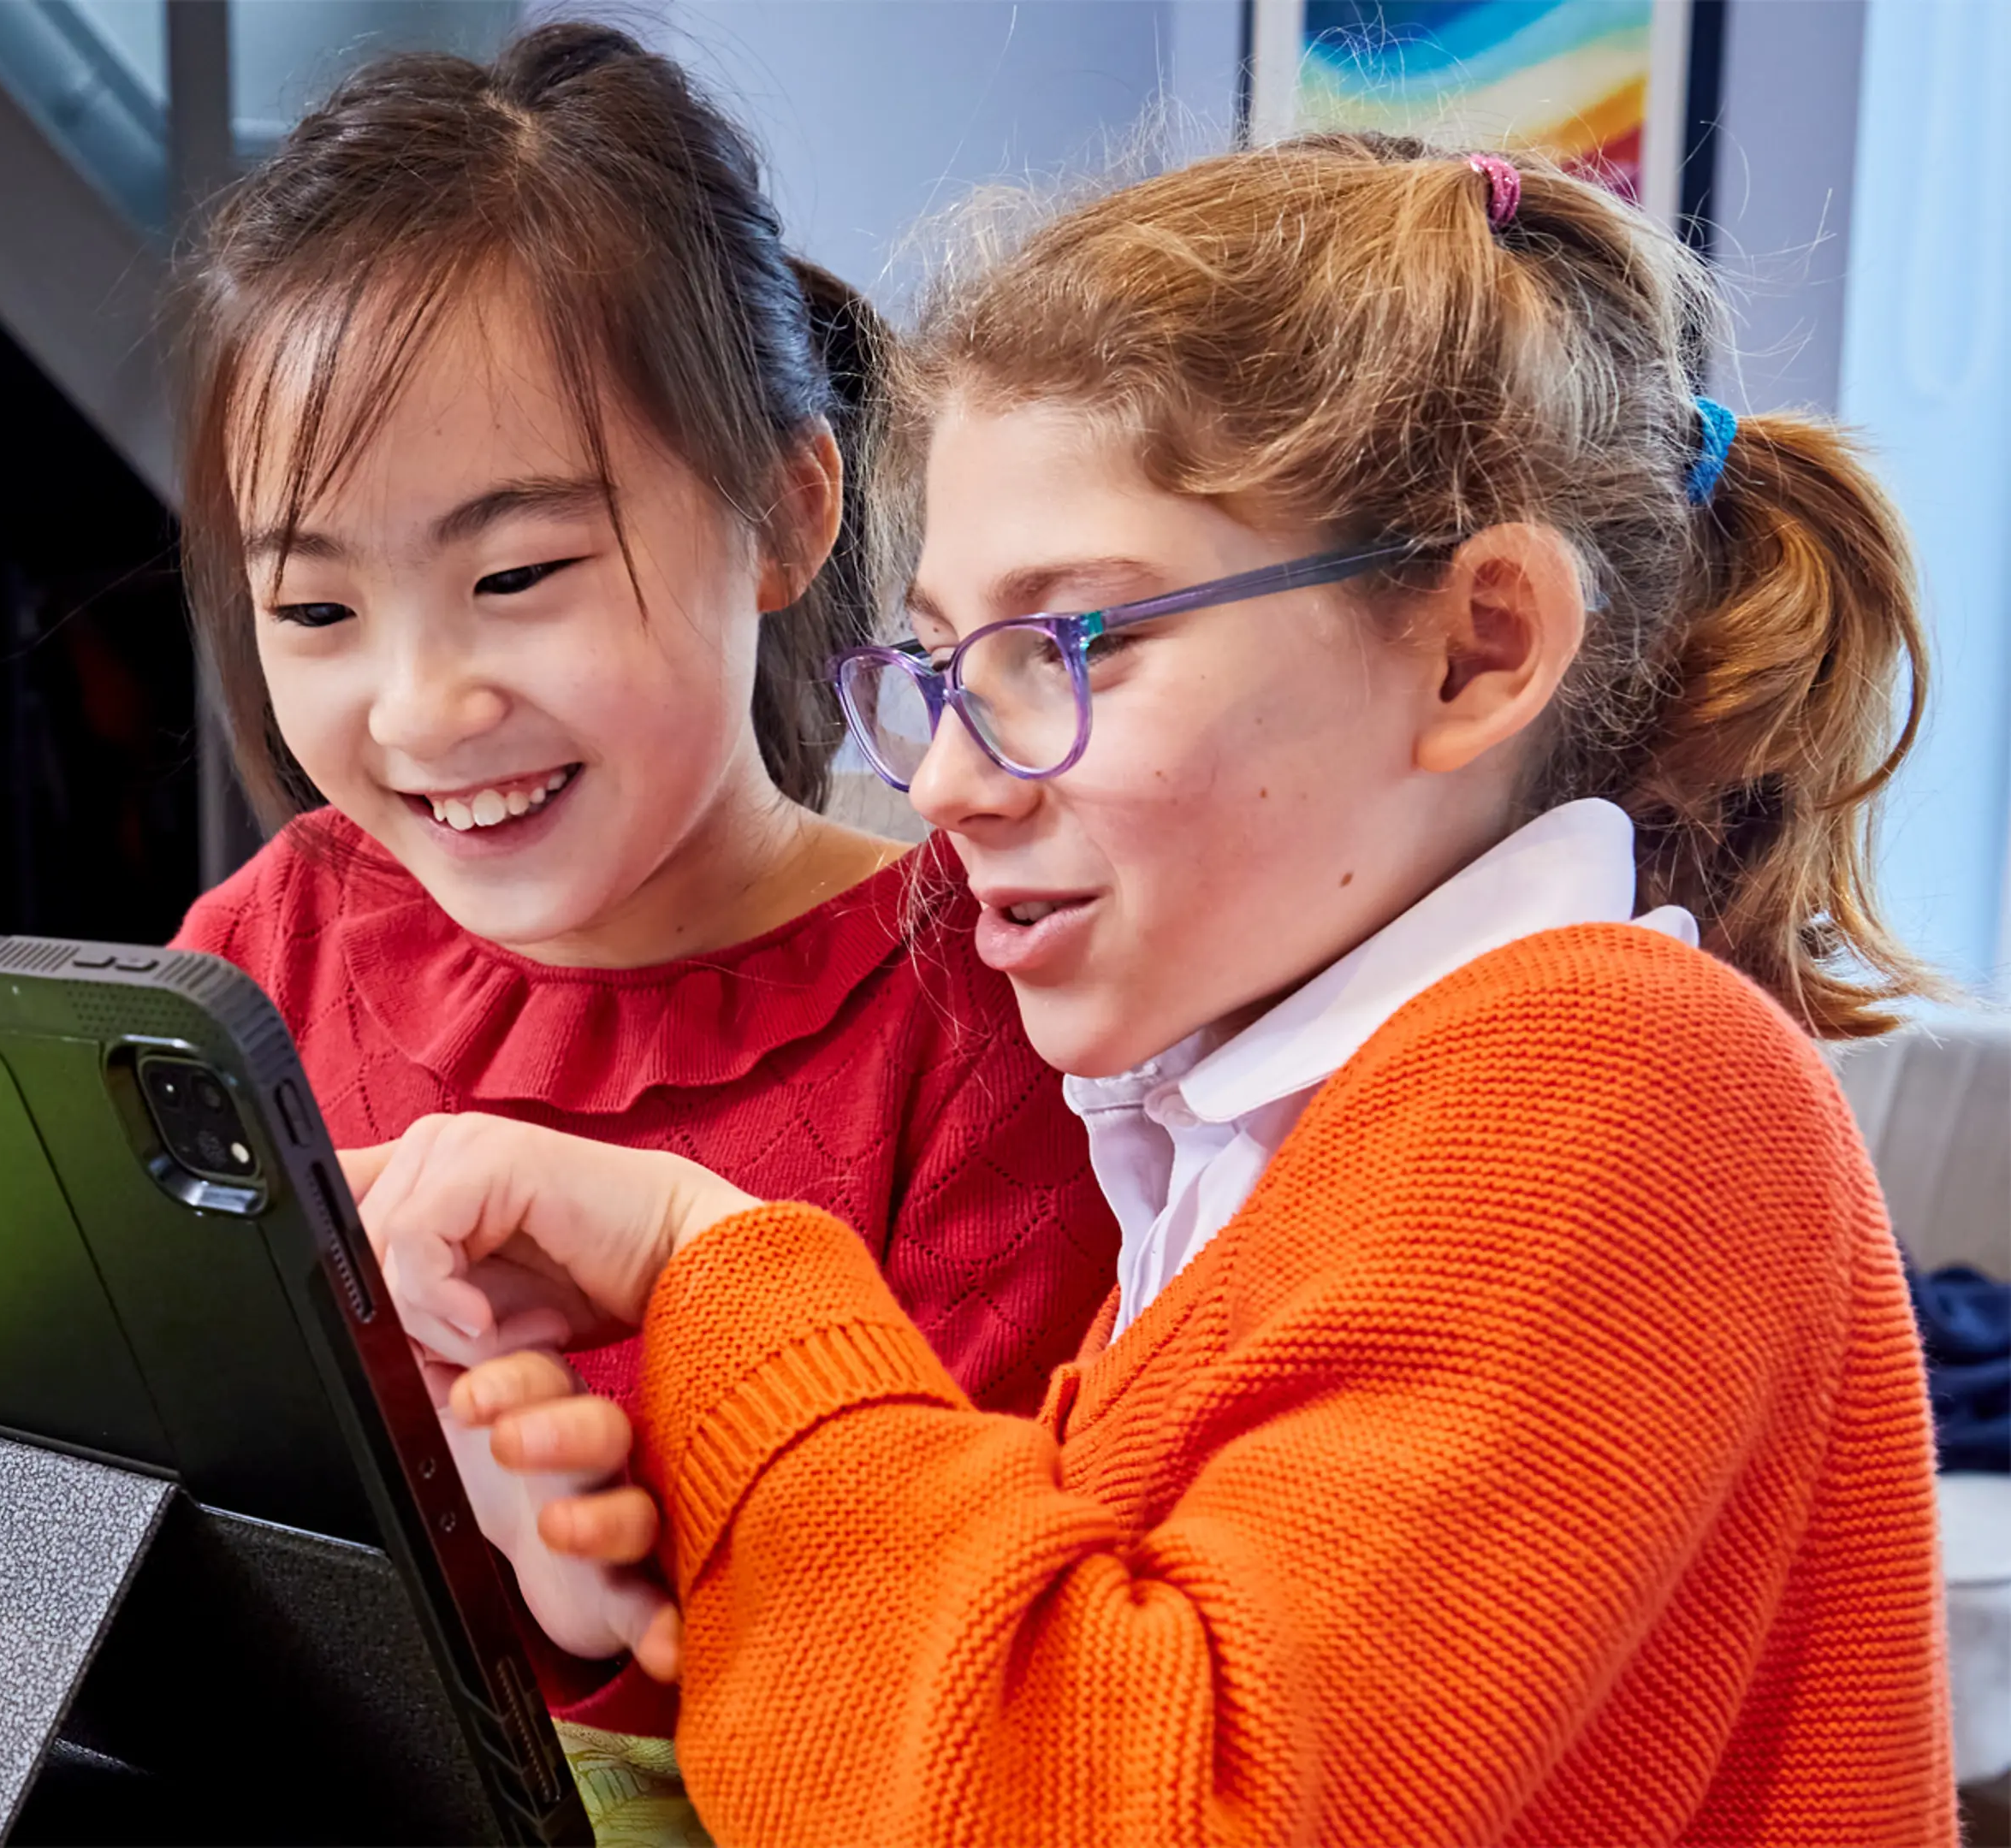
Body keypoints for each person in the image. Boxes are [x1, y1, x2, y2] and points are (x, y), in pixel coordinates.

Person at [354, 136, 1955, 1842]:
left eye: (1077, 646)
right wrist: (642, 1567)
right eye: (941, 667)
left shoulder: (1620, 1077)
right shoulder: (1261, 1148)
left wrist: (714, 1268)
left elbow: (1119, 1800)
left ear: (1477, 646)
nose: (947, 783)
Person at [164, 23, 1117, 1721]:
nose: (420, 707)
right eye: (314, 606)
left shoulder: (986, 1013)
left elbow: (961, 1677)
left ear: (786, 514)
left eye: (518, 575)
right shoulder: (270, 944)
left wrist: (597, 1601)